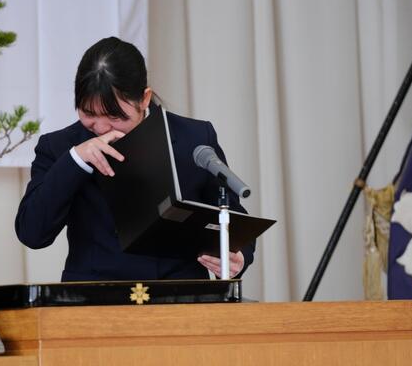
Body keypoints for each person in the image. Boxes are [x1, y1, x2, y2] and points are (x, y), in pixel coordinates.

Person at [15, 36, 254, 281]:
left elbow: (233, 217)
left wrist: (238, 256)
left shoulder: (194, 137)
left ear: (144, 98)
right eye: (88, 113)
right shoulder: (58, 147)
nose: (101, 127)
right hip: (94, 295)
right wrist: (76, 159)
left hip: (180, 292)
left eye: (114, 116)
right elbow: (32, 234)